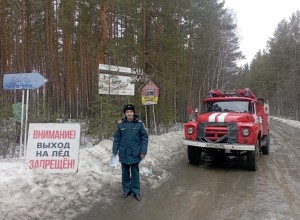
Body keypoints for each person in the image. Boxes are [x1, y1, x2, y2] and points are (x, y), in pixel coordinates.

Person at [112, 104, 148, 201]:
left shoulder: (139, 124)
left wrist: (143, 151)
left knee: (135, 172)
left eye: (131, 112)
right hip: (123, 153)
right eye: (127, 112)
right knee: (125, 172)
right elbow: (116, 139)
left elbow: (144, 138)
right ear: (124, 113)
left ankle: (136, 191)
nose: (129, 113)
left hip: (135, 152)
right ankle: (127, 190)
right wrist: (114, 151)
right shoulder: (120, 125)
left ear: (133, 113)